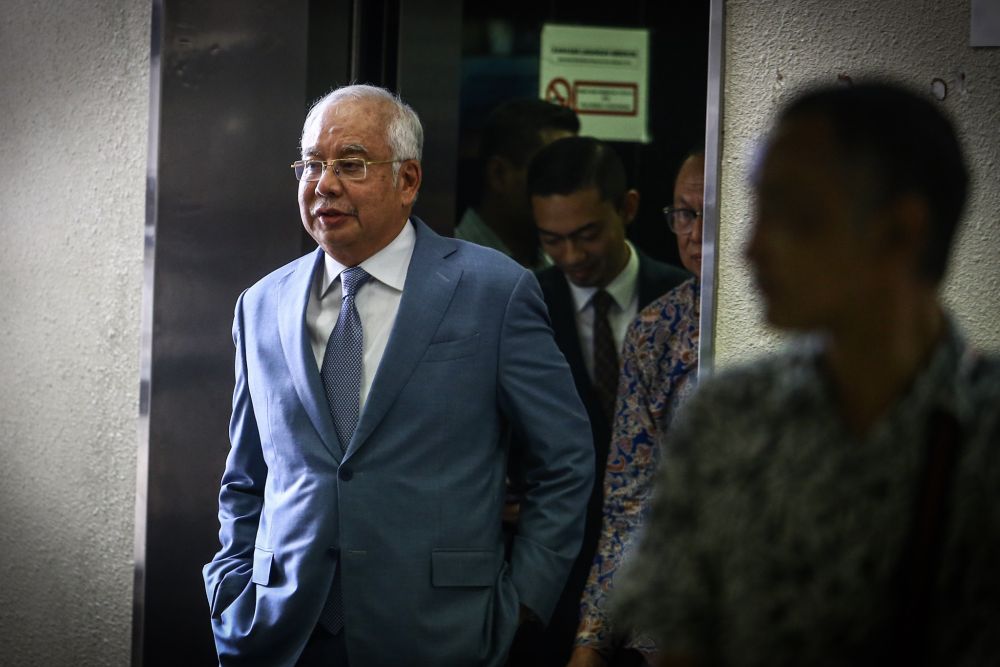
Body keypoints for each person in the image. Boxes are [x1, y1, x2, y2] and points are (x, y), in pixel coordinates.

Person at [202, 84, 593, 667]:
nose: (324, 183)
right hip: (280, 632)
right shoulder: (260, 304)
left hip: (441, 633)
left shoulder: (494, 290)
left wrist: (523, 603)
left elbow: (565, 460)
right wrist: (230, 587)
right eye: (311, 164)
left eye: (350, 164)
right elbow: (246, 474)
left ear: (407, 181)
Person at [613, 81, 1000, 666]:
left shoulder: (987, 433)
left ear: (902, 230)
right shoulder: (727, 423)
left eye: (794, 215)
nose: (750, 249)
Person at [510, 136, 689, 666]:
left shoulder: (683, 300)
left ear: (627, 207)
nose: (571, 256)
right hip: (554, 579)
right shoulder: (522, 304)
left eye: (587, 235)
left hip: (661, 572)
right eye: (552, 240)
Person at [569, 151, 705, 667]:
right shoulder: (657, 329)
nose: (694, 234)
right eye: (683, 214)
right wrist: (592, 637)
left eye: (710, 214)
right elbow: (631, 497)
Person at [456, 98, 580, 269]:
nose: (571, 190)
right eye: (555, 173)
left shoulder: (559, 265)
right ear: (498, 175)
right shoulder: (449, 263)